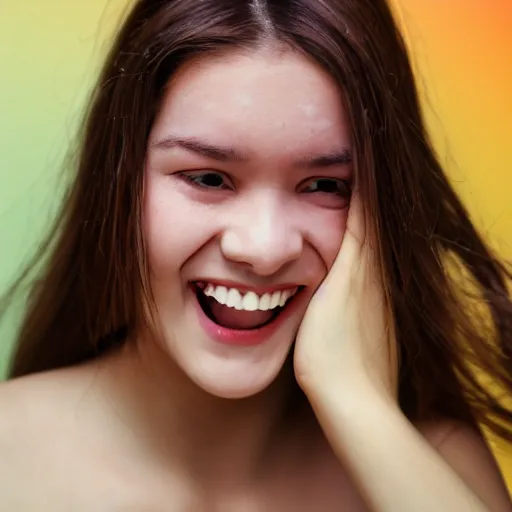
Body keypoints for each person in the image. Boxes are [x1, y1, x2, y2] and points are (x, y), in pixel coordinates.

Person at [0, 0, 511, 509]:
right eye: (207, 178)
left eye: (325, 185)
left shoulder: (434, 463)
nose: (264, 249)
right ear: (119, 180)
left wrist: (357, 403)